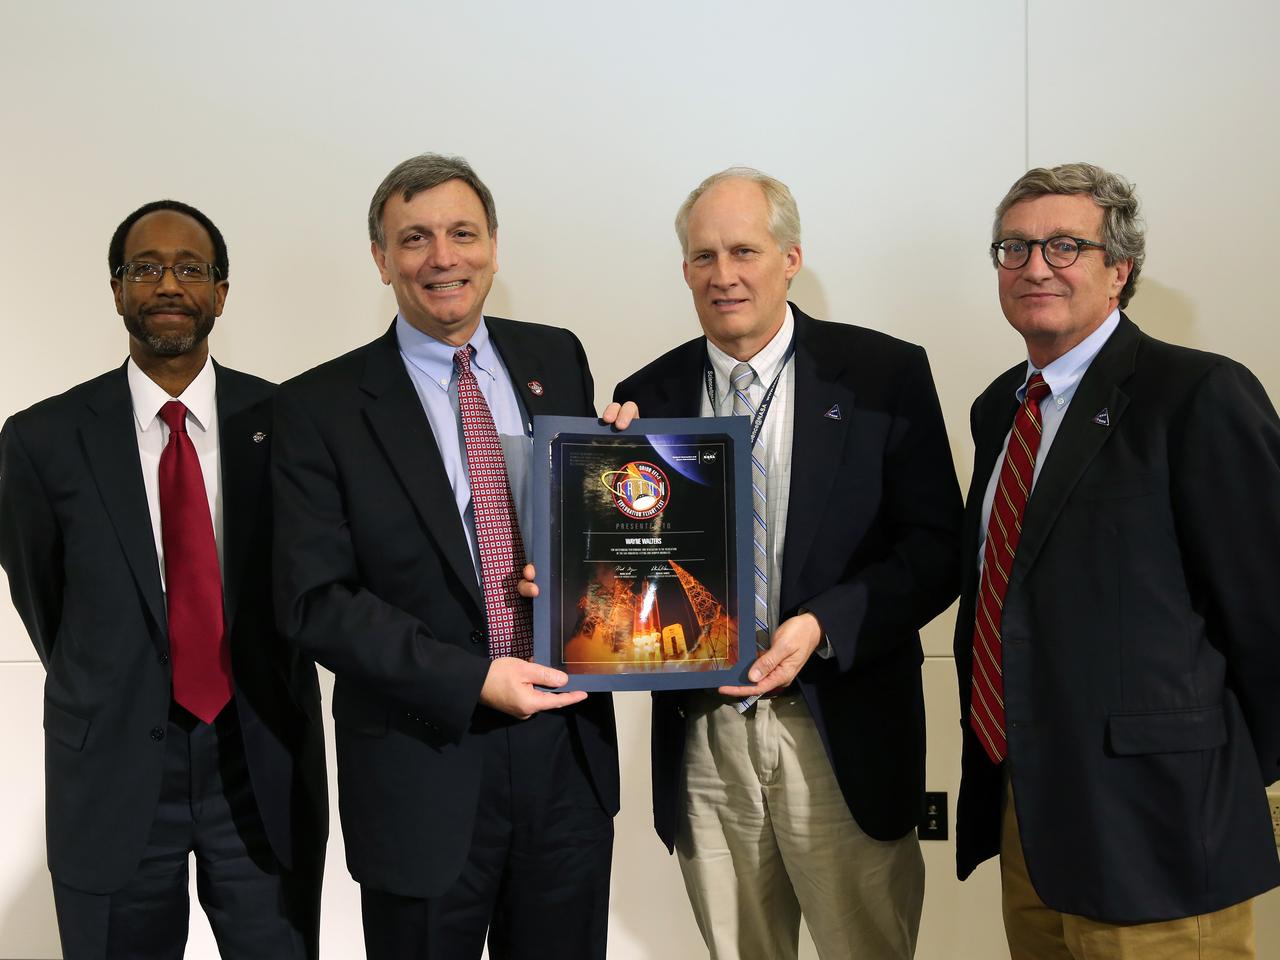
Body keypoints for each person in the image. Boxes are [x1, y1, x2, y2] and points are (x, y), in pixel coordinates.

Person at [272, 152, 635, 960]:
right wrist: (471, 678)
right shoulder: (317, 407)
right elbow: (314, 602)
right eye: (415, 238)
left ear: (494, 248)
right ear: (380, 258)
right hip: (420, 766)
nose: (443, 257)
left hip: (565, 756)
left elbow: (588, 537)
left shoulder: (557, 359)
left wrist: (615, 489)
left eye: (462, 233)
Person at [612, 167, 962, 959]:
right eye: (704, 257)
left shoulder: (883, 375)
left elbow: (938, 550)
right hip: (706, 736)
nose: (724, 275)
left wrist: (821, 625)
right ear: (684, 271)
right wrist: (590, 507)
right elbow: (628, 577)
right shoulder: (646, 396)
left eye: (744, 250)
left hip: (839, 725)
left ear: (791, 257)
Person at [954, 161, 1280, 958]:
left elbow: (1267, 612)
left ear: (1120, 268)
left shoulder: (1197, 393)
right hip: (1028, 814)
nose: (1035, 267)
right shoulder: (1001, 406)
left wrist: (1222, 782)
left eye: (1066, 246)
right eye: (1014, 248)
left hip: (1159, 826)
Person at [0, 200, 328, 959]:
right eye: (147, 268)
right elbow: (44, 601)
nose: (169, 284)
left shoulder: (288, 421)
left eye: (190, 268)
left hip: (259, 764)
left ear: (221, 290)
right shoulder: (42, 439)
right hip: (113, 771)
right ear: (116, 289)